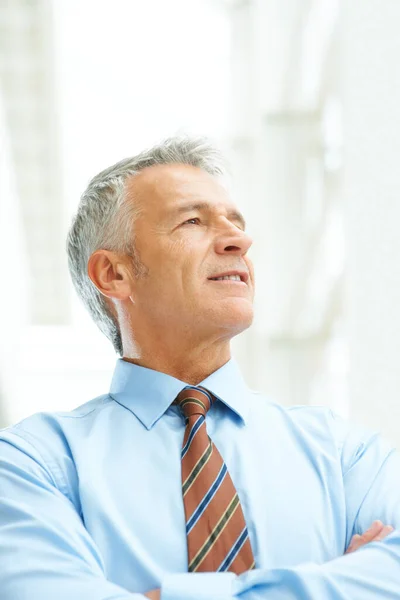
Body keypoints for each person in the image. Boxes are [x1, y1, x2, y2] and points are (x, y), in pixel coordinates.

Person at [0, 136, 399, 600]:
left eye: (237, 223)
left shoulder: (345, 453)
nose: (240, 240)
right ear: (114, 274)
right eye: (193, 221)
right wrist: (336, 582)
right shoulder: (31, 465)